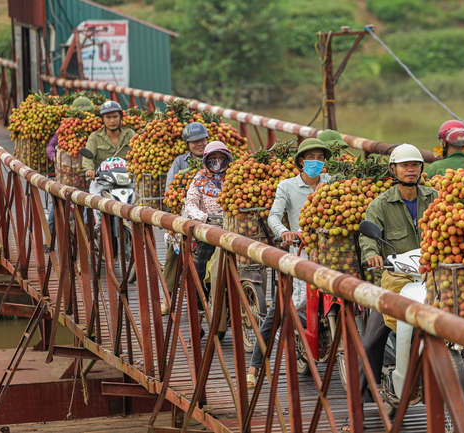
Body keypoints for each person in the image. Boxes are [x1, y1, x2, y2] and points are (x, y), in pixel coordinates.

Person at [345, 144, 437, 430]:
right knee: (373, 338)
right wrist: (372, 253)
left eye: (416, 165)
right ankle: (357, 408)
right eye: (405, 165)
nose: (411, 169)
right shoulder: (381, 204)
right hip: (395, 281)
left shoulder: (435, 197)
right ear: (393, 170)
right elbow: (368, 237)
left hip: (432, 278)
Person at [246, 137, 332, 388]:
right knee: (284, 307)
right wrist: (284, 231)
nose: (316, 162)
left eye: (320, 157)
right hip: (301, 250)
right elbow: (274, 215)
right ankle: (254, 365)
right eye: (311, 158)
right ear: (301, 162)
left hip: (331, 250)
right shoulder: (287, 186)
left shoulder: (333, 184)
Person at [161, 122, 209, 314]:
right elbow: (169, 189)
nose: (199, 144)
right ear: (187, 144)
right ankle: (167, 296)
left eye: (202, 140)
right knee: (174, 252)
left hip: (210, 214)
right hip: (185, 214)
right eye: (194, 141)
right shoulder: (180, 162)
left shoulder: (215, 158)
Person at [183, 141, 233, 310]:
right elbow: (190, 204)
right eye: (213, 159)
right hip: (209, 231)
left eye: (221, 158)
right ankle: (199, 309)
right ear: (206, 161)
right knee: (201, 269)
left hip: (232, 230)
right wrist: (203, 218)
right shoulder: (199, 180)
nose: (217, 162)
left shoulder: (234, 179)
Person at [45, 97, 94, 240]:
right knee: (58, 202)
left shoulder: (95, 131)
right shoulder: (66, 129)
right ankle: (50, 240)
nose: (83, 117)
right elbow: (50, 146)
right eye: (81, 114)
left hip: (88, 178)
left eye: (86, 114)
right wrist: (53, 156)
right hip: (67, 175)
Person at [82, 100, 135, 184]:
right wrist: (89, 169)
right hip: (102, 181)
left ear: (120, 117)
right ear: (102, 119)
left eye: (115, 116)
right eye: (108, 117)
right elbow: (88, 158)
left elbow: (138, 154)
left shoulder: (130, 134)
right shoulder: (95, 137)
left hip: (128, 180)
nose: (112, 121)